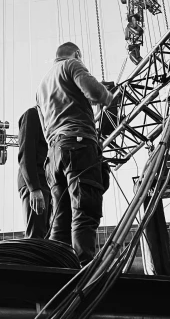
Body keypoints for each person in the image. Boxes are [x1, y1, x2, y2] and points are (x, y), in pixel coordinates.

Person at [36, 42, 114, 266]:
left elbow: (44, 128)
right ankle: (84, 271)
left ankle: (57, 272)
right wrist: (108, 96)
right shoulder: (72, 65)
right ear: (77, 54)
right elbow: (94, 92)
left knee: (60, 221)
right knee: (84, 211)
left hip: (54, 154)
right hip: (79, 146)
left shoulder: (42, 85)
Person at [17, 106, 50, 238]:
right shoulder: (33, 114)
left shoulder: (53, 120)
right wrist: (34, 188)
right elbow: (26, 153)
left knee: (49, 237)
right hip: (37, 182)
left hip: (48, 183)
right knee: (37, 236)